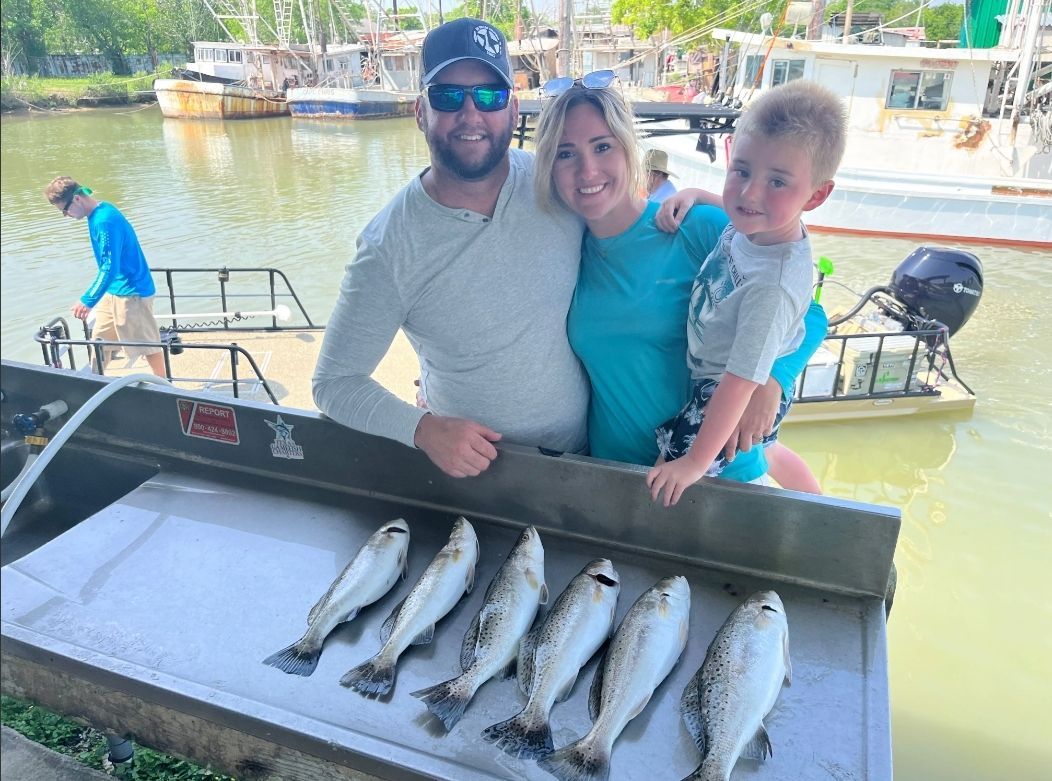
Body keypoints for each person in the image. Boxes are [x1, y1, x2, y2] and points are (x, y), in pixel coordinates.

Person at [312, 18, 590, 479]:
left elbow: (643, 229)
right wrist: (423, 429)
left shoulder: (554, 182)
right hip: (477, 478)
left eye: (489, 96)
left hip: (586, 457)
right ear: (420, 111)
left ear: (513, 109)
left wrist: (701, 203)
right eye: (447, 96)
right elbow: (334, 383)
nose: (471, 114)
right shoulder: (388, 247)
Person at [533, 78, 829, 495]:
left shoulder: (692, 227)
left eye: (603, 147)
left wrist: (774, 377)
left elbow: (810, 312)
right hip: (613, 474)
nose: (588, 170)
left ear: (628, 148)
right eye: (566, 153)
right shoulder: (562, 251)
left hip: (714, 480)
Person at [644, 81, 847, 506]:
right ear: (730, 150)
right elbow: (738, 203)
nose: (750, 193)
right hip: (738, 364)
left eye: (778, 181)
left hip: (726, 382)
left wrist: (695, 463)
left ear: (817, 194)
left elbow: (739, 385)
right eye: (742, 170)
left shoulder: (772, 286)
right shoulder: (760, 223)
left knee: (673, 477)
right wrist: (698, 195)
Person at [44, 176, 166, 377]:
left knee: (147, 345)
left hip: (131, 292)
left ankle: (166, 387)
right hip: (113, 291)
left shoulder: (104, 220)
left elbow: (109, 266)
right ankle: (94, 380)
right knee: (100, 340)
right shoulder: (99, 212)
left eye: (64, 210)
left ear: (76, 200)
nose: (65, 215)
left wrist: (87, 300)